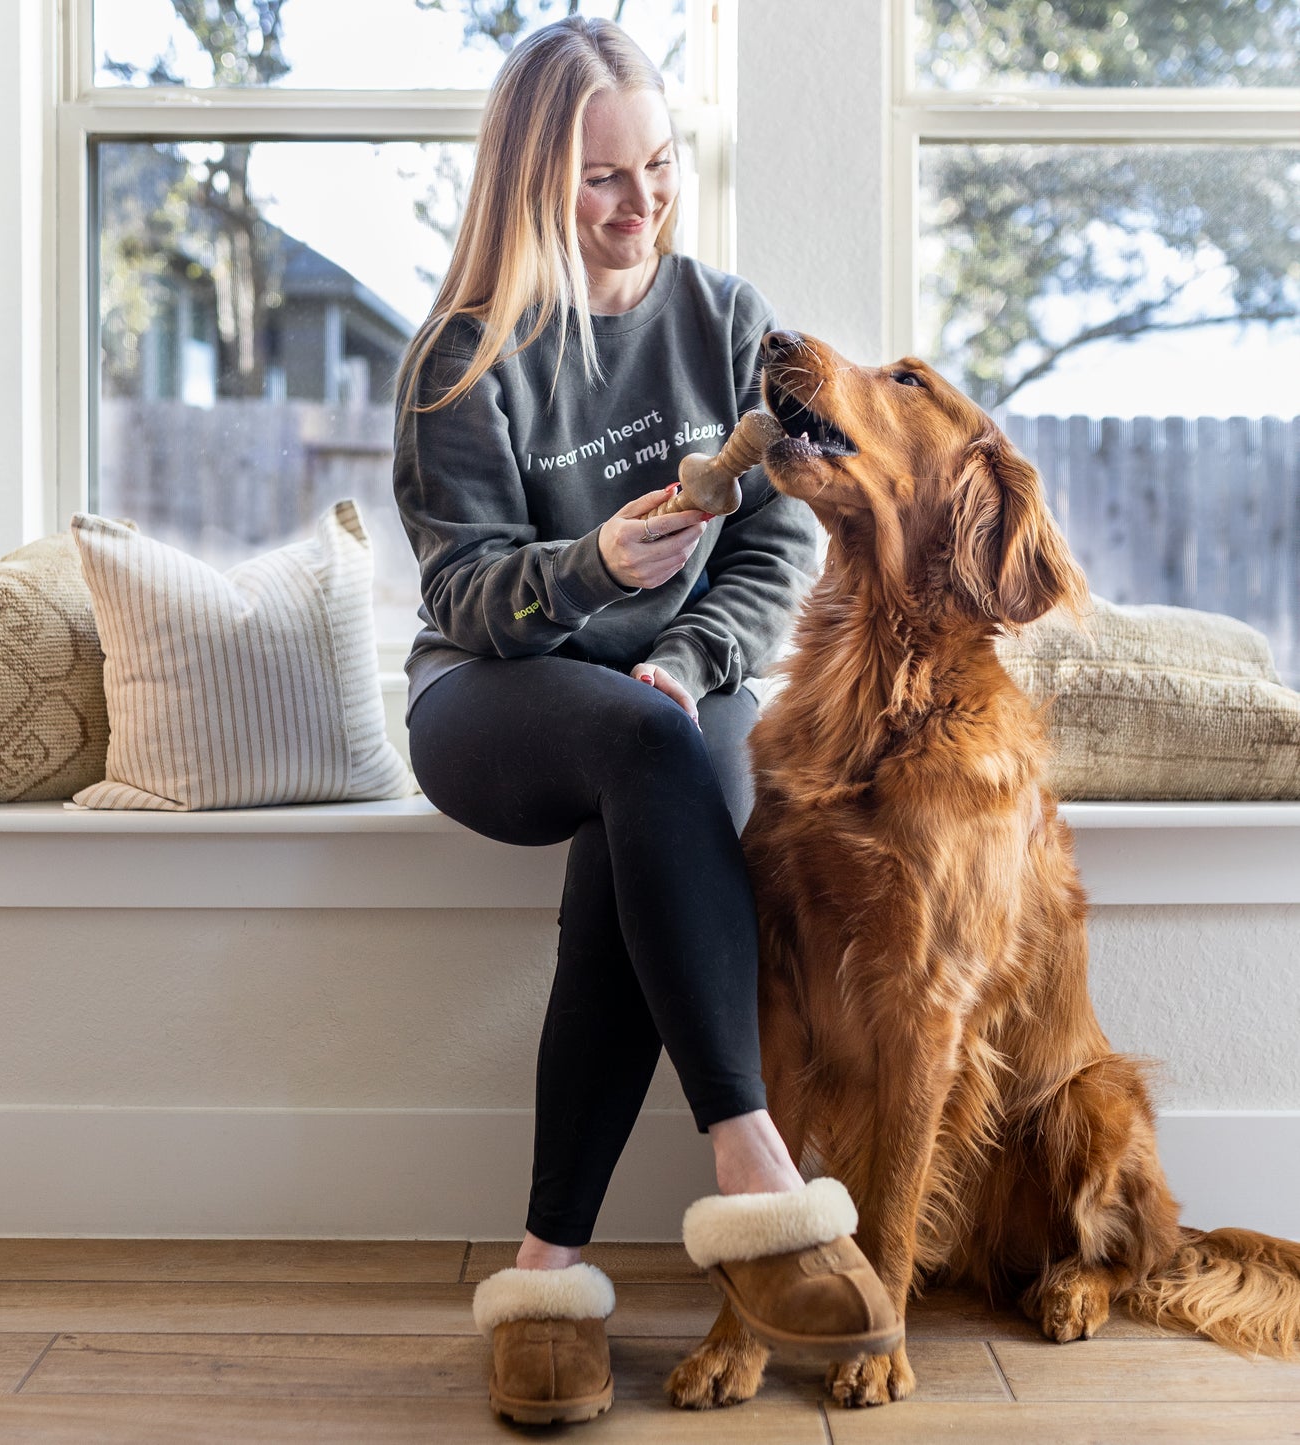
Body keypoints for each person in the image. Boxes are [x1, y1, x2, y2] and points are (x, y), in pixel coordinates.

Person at [392, 17, 899, 1426]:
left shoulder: (724, 324)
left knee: (645, 771)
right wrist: (592, 567)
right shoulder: (460, 356)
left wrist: (683, 657)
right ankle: (754, 1164)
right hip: (489, 698)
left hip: (666, 704)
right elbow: (466, 592)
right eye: (601, 181)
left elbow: (775, 548)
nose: (640, 205)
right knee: (634, 742)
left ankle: (546, 1275)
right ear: (530, 184)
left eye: (659, 166)